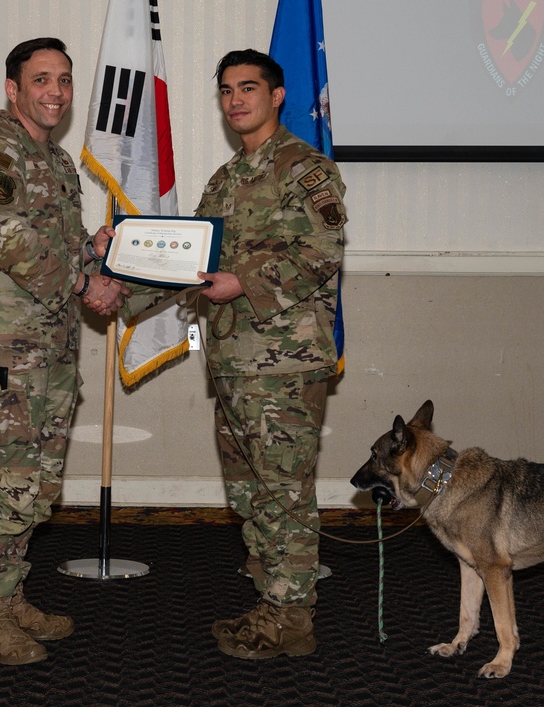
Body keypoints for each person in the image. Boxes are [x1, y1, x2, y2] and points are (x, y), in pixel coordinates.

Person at [0, 37, 129, 666]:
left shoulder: (50, 161)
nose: (55, 91)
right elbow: (13, 243)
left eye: (64, 80)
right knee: (5, 479)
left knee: (37, 483)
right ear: (14, 88)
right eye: (41, 79)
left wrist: (102, 251)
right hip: (3, 354)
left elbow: (62, 243)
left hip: (49, 350)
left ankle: (11, 593)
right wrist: (86, 282)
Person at [195, 49, 347, 659]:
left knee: (284, 494)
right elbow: (194, 258)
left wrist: (244, 283)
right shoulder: (225, 180)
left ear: (277, 95)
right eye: (227, 90)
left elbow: (321, 252)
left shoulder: (306, 170)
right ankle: (271, 606)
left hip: (283, 365)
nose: (236, 100)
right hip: (232, 361)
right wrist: (119, 269)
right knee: (250, 495)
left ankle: (292, 621)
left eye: (249, 88)